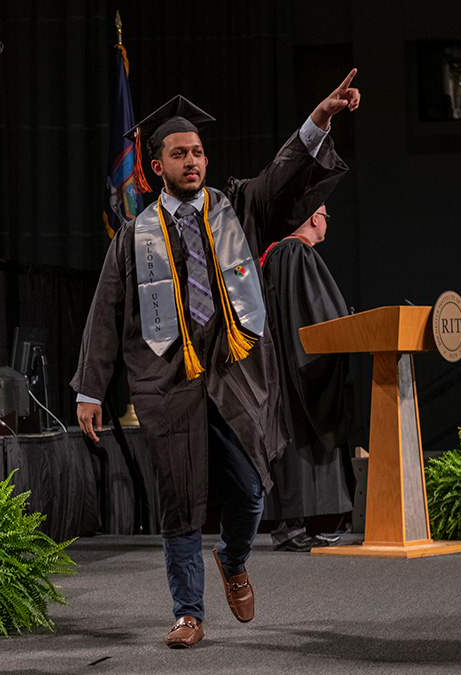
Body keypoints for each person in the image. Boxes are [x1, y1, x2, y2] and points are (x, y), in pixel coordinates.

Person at [72, 71, 360, 648]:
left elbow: (283, 176)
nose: (192, 160)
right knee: (180, 498)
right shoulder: (133, 236)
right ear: (157, 166)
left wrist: (320, 119)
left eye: (198, 151)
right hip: (167, 381)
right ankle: (188, 613)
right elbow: (105, 315)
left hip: (235, 376)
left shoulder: (238, 208)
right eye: (179, 153)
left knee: (253, 489)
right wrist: (90, 390)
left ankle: (233, 558)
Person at [259, 205, 353, 553]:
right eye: (326, 215)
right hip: (297, 368)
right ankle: (291, 527)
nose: (326, 221)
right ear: (315, 218)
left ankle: (298, 525)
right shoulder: (296, 252)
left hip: (282, 367)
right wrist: (346, 326)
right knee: (297, 439)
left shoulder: (276, 256)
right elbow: (319, 314)